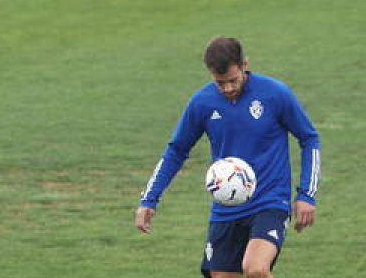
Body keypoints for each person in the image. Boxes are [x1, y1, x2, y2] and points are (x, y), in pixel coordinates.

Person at [135, 37, 320, 278]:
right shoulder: (202, 103)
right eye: (220, 83)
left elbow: (309, 138)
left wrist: (306, 194)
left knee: (255, 269)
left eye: (233, 80)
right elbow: (176, 151)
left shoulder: (275, 94)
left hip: (269, 201)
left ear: (245, 64)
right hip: (227, 207)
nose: (228, 88)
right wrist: (149, 199)